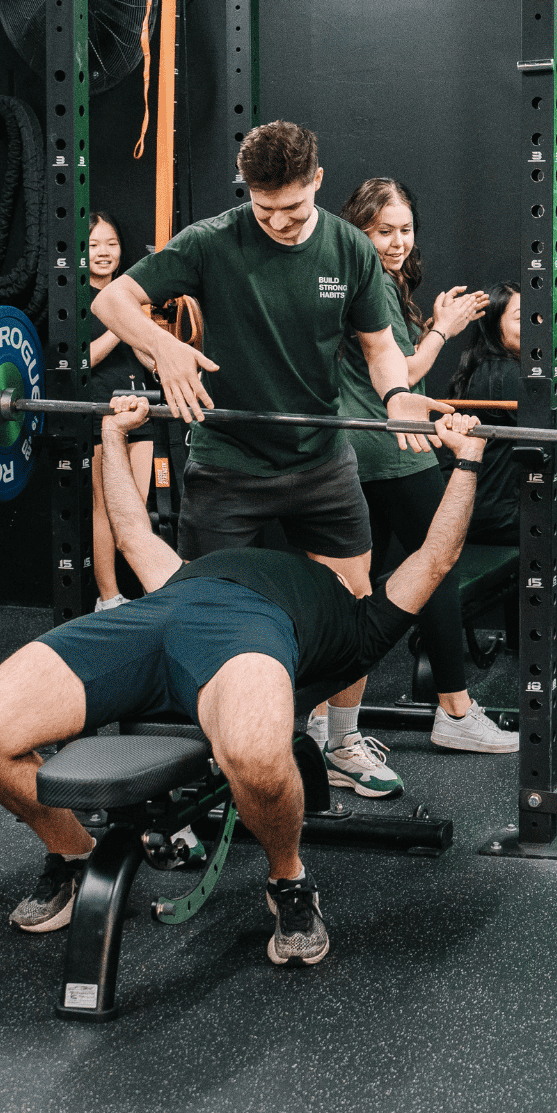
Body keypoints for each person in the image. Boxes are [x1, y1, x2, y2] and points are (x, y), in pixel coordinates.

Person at [0, 396, 490, 960]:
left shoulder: (361, 623)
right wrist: (114, 434)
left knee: (256, 757)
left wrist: (468, 459)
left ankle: (289, 881)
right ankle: (73, 853)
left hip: (251, 638)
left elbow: (437, 556)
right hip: (158, 613)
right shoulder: (184, 571)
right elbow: (133, 531)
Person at [91, 121, 435, 802]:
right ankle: (208, 756)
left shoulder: (347, 248)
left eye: (292, 207)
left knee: (355, 602)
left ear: (317, 180)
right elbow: (112, 299)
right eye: (262, 206)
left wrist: (398, 394)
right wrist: (162, 348)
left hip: (319, 457)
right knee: (198, 610)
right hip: (227, 458)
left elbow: (377, 345)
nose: (277, 220)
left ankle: (338, 739)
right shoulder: (213, 239)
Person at [332, 178, 513, 752]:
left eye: (404, 230)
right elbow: (403, 374)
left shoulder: (374, 281)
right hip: (392, 451)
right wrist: (443, 329)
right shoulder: (371, 282)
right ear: (359, 229)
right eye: (383, 230)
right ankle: (455, 714)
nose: (396, 241)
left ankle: (332, 728)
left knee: (358, 588)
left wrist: (430, 321)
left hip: (363, 451)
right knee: (437, 565)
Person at [443, 289, 557, 662]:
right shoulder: (512, 376)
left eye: (538, 316)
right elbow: (548, 452)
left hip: (468, 510)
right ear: (493, 326)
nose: (536, 326)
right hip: (495, 515)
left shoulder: (483, 368)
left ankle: (527, 638)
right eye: (521, 317)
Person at [84, 211, 162, 613]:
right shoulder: (78, 298)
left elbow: (146, 358)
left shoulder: (130, 293)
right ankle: (108, 597)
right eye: (95, 243)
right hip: (102, 410)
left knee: (136, 504)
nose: (104, 252)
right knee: (105, 506)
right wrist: (122, 323)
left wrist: (163, 355)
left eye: (111, 243)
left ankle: (149, 597)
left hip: (140, 405)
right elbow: (86, 360)